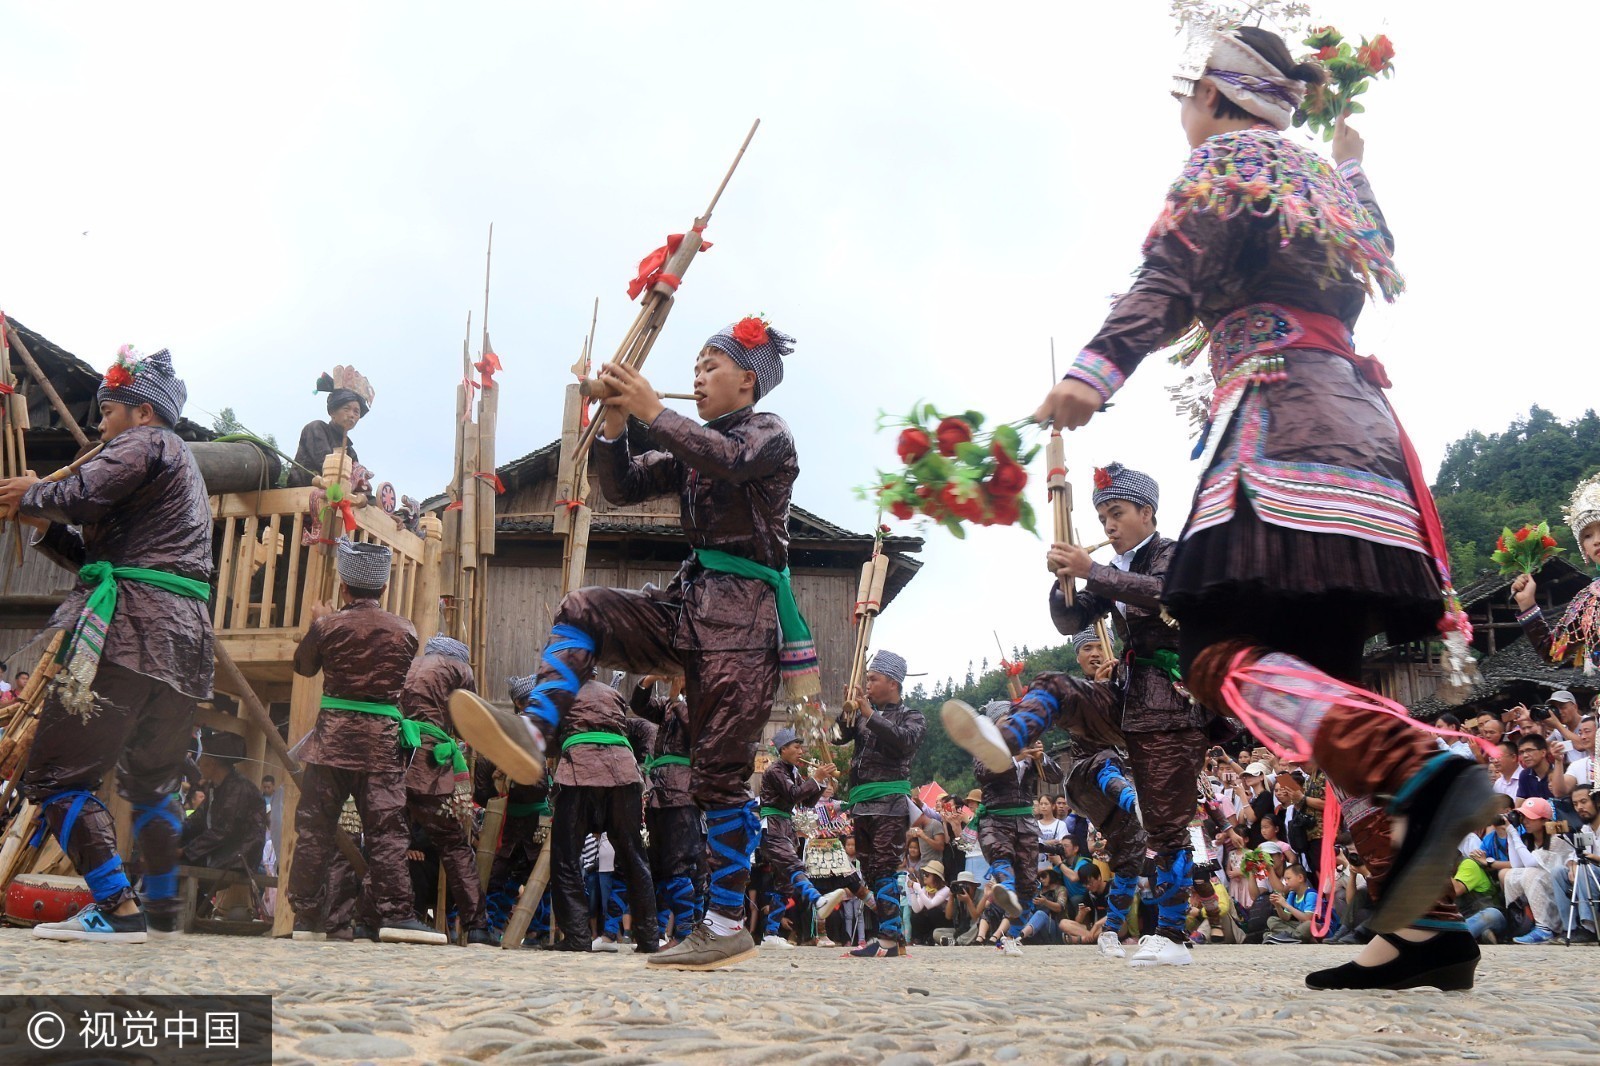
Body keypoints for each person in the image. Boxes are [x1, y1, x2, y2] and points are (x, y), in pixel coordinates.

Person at [1028, 18, 1491, 991]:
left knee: (1207, 648)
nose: (1185, 115)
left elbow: (1168, 273)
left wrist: (1092, 371)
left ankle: (1417, 760)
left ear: (1219, 98)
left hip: (1281, 427)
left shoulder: (1232, 160)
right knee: (1328, 676)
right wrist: (1358, 167)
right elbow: (1381, 255)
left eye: (1190, 96)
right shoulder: (1323, 180)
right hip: (1362, 436)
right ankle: (1427, 927)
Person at [450, 317, 809, 971]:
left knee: (722, 777)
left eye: (711, 365)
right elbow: (622, 488)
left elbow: (723, 460)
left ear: (747, 381)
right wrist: (615, 424)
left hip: (744, 625)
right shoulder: (694, 446)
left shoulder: (767, 434)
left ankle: (726, 922)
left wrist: (651, 410)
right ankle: (533, 733)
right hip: (686, 608)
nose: (697, 375)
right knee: (584, 608)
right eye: (695, 365)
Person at [0, 348, 214, 943]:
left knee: (55, 776)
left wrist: (35, 493)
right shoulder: (180, 467)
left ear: (142, 410)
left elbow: (86, 491)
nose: (100, 423)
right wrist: (42, 523)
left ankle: (119, 910)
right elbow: (103, 555)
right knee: (149, 781)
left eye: (109, 409)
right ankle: (164, 913)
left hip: (127, 632)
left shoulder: (148, 443)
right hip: (181, 643)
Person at [285, 539, 443, 945]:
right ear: (384, 589)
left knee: (315, 829)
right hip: (381, 745)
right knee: (387, 831)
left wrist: (319, 623)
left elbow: (303, 668)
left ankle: (305, 918)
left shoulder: (328, 625)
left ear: (343, 587)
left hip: (331, 742)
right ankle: (396, 915)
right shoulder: (406, 630)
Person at [546, 673, 658, 954]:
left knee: (566, 857)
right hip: (623, 771)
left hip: (578, 772)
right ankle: (648, 939)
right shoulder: (612, 694)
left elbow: (548, 737)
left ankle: (576, 937)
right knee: (634, 857)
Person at [398, 635, 492, 945]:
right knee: (453, 843)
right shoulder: (459, 669)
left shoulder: (405, 665)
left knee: (386, 839)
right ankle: (476, 926)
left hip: (393, 756)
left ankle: (369, 919)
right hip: (428, 759)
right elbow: (469, 717)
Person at [836, 651, 925, 958]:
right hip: (862, 802)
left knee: (885, 866)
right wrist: (847, 711)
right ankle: (895, 938)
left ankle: (888, 937)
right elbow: (836, 738)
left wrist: (869, 714)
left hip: (889, 804)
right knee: (872, 871)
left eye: (873, 679)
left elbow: (903, 742)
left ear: (892, 682)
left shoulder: (913, 716)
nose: (868, 684)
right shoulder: (861, 714)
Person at [968, 700, 1063, 956]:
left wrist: (1041, 757)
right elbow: (982, 772)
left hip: (1025, 822)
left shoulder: (1031, 747)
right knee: (1001, 856)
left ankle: (1011, 937)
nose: (1012, 724)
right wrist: (1016, 755)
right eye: (1006, 720)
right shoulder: (986, 747)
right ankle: (1005, 891)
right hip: (995, 819)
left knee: (1029, 885)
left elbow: (1056, 777)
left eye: (1014, 719)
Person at [755, 728, 851, 948]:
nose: (801, 751)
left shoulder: (793, 771)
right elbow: (793, 795)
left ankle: (770, 934)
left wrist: (822, 782)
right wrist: (815, 778)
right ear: (783, 749)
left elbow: (805, 802)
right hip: (772, 827)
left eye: (801, 746)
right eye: (796, 747)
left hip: (785, 827)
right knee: (793, 865)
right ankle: (818, 899)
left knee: (783, 884)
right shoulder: (774, 771)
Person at [475, 676, 552, 944]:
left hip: (537, 819)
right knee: (499, 876)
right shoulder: (498, 740)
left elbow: (542, 786)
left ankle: (541, 930)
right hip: (507, 821)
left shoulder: (548, 734)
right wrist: (499, 782)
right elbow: (482, 794)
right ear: (518, 703)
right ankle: (493, 924)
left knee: (541, 877)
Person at [631, 675, 704, 947]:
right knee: (658, 866)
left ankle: (685, 934)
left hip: (683, 793)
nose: (678, 677)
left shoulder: (701, 704)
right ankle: (659, 932)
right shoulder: (665, 706)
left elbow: (695, 730)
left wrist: (676, 699)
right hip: (657, 791)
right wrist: (649, 679)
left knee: (679, 864)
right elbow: (638, 705)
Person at [288, 366, 372, 488]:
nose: (351, 415)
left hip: (338, 495)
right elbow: (327, 466)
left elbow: (358, 478)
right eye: (346, 409)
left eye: (356, 412)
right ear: (332, 411)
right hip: (304, 491)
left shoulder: (350, 451)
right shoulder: (316, 428)